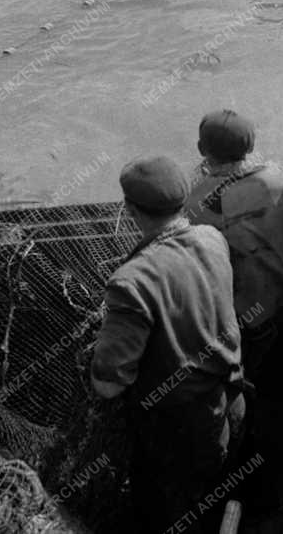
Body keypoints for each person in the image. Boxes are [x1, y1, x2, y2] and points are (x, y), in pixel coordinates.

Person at [91, 156, 245, 534]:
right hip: (228, 404)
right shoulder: (213, 238)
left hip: (176, 433)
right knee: (210, 497)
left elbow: (108, 383)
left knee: (165, 511)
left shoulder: (131, 282)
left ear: (130, 211)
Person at [184, 109, 283, 392]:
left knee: (250, 382)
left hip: (241, 315)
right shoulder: (278, 177)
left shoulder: (194, 202)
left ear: (202, 149)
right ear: (250, 147)